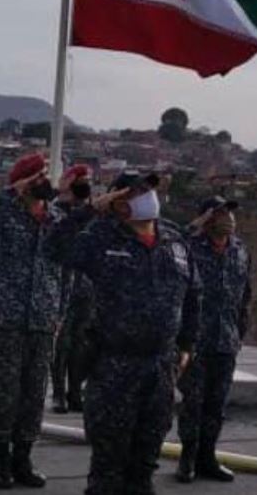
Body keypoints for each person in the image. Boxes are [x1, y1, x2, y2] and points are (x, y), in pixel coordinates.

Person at [55, 170, 201, 495]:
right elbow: (54, 246)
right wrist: (93, 208)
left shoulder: (175, 241)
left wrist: (187, 343)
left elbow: (193, 295)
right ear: (117, 201)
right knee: (109, 463)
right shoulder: (101, 238)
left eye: (148, 189)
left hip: (161, 367)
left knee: (146, 460)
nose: (147, 196)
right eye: (135, 192)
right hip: (114, 366)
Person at [0, 152, 66, 489]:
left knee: (34, 394)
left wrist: (58, 313)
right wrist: (9, 193)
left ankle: (24, 458)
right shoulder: (3, 215)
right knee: (6, 393)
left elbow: (62, 273)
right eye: (36, 176)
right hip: (7, 317)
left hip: (42, 320)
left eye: (45, 176)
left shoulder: (55, 219)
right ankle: (0, 461)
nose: (43, 182)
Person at [176, 196, 253, 484]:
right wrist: (194, 226)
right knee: (193, 404)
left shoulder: (240, 250)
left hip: (226, 341)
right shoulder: (189, 248)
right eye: (220, 213)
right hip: (195, 341)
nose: (228, 219)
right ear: (206, 218)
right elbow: (168, 242)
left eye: (231, 213)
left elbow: (246, 295)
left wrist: (239, 332)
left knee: (216, 405)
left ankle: (207, 457)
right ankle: (187, 458)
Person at [51, 164, 94, 414]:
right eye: (79, 180)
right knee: (62, 344)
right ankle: (58, 393)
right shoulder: (58, 210)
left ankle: (75, 390)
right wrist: (64, 195)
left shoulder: (94, 212)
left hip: (86, 287)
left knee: (81, 344)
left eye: (87, 180)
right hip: (63, 283)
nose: (83, 184)